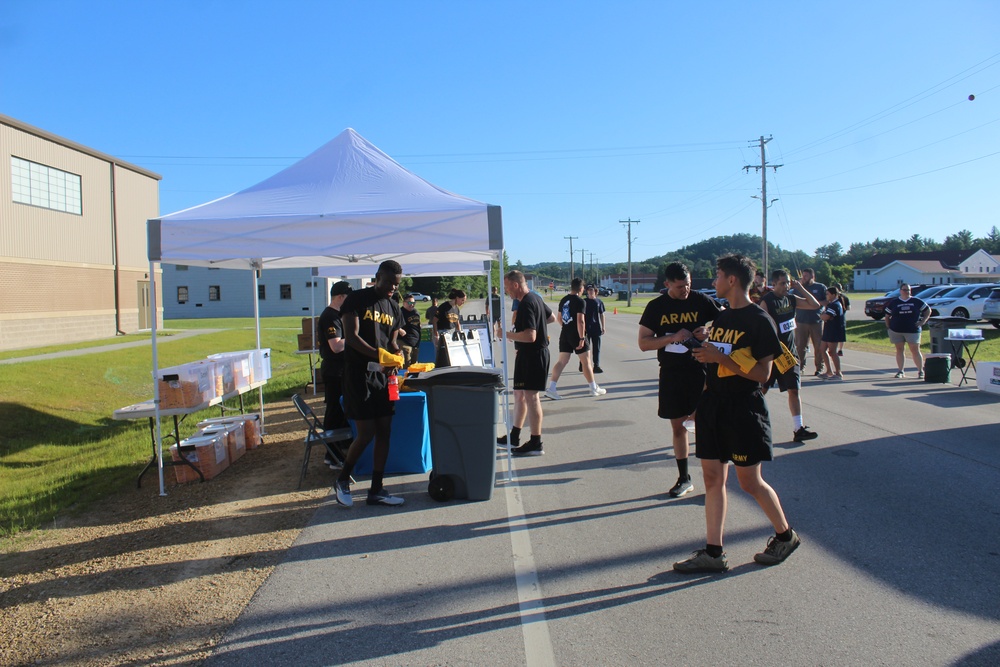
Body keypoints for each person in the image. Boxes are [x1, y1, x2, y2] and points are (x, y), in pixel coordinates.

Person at [673, 254, 800, 574]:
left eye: (717, 275)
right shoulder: (722, 318)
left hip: (744, 407)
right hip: (713, 405)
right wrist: (698, 403)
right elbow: (716, 365)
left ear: (732, 280)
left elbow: (762, 374)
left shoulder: (759, 320)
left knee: (749, 482)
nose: (713, 280)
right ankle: (713, 553)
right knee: (713, 479)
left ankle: (785, 536)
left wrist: (719, 357)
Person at [638, 262, 722, 498]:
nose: (685, 290)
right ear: (667, 285)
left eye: (688, 285)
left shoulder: (701, 300)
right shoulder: (657, 307)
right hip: (672, 373)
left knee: (707, 427)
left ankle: (714, 485)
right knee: (678, 427)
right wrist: (673, 337)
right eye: (679, 287)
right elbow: (644, 342)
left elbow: (726, 323)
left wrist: (709, 332)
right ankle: (684, 478)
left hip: (701, 372)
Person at [334, 260, 405, 508]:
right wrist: (380, 356)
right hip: (358, 375)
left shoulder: (394, 308)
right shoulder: (356, 300)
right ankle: (342, 479)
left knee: (385, 430)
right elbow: (351, 338)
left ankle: (377, 489)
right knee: (366, 434)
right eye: (388, 283)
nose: (391, 289)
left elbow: (393, 341)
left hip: (383, 378)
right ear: (377, 277)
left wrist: (399, 354)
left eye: (396, 285)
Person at [760, 269, 821, 443]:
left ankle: (798, 428)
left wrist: (800, 288)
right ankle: (745, 421)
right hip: (772, 354)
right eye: (782, 283)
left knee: (794, 390)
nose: (786, 286)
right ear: (774, 285)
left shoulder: (792, 299)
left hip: (790, 353)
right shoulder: (768, 301)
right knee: (761, 390)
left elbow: (814, 304)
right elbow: (759, 323)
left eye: (788, 282)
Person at [500, 270, 555, 456]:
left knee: (532, 397)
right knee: (521, 394)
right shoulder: (535, 298)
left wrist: (505, 334)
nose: (507, 291)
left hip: (533, 354)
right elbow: (551, 317)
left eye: (507, 287)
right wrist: (540, 325)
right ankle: (514, 435)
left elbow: (530, 336)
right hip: (528, 354)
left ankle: (536, 442)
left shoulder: (527, 303)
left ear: (516, 285)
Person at [545, 278, 606, 399]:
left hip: (565, 333)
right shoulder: (580, 302)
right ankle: (593, 388)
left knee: (562, 361)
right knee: (586, 361)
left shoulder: (564, 300)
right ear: (581, 288)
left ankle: (551, 388)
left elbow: (559, 318)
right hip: (576, 334)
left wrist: (567, 327)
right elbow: (580, 321)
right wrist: (582, 337)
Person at [317, 281, 354, 467]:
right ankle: (331, 454)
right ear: (340, 297)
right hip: (334, 372)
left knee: (341, 411)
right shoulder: (330, 316)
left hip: (340, 370)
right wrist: (355, 338)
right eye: (347, 297)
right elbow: (337, 345)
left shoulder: (337, 315)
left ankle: (341, 446)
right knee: (334, 411)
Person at [884, 283, 931, 379]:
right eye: (905, 290)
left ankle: (920, 371)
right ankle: (900, 371)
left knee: (915, 350)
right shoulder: (895, 302)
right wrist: (888, 326)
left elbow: (928, 310)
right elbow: (887, 315)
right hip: (896, 330)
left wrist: (922, 321)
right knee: (899, 350)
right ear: (900, 290)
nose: (907, 292)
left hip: (912, 330)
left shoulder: (916, 301)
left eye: (908, 290)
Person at [793, 268, 828, 376]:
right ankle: (800, 366)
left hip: (816, 321)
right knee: (800, 346)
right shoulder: (798, 288)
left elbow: (826, 301)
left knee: (818, 346)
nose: (804, 278)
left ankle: (819, 367)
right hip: (801, 321)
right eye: (803, 276)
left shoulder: (820, 287)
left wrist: (814, 303)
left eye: (806, 276)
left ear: (813, 277)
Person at [819, 286, 846, 380]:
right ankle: (829, 371)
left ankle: (838, 373)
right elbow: (824, 315)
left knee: (832, 352)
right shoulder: (830, 304)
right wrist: (823, 315)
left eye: (828, 294)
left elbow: (825, 317)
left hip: (834, 331)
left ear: (833, 295)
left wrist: (823, 315)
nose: (826, 296)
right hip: (827, 330)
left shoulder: (835, 305)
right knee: (822, 349)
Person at [584, 284, 607, 373]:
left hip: (596, 328)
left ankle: (596, 365)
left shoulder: (599, 302)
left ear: (595, 291)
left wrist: (603, 326)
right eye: (589, 290)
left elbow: (602, 314)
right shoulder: (584, 302)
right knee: (585, 348)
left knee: (596, 348)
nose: (590, 291)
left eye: (592, 290)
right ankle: (583, 364)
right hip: (585, 328)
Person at [398, 293, 423, 368]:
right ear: (404, 303)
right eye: (409, 303)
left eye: (413, 303)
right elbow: (392, 324)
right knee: (406, 366)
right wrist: (399, 329)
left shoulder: (415, 312)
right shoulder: (400, 312)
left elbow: (418, 324)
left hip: (415, 343)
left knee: (414, 366)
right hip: (405, 342)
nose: (412, 305)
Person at [835, 283, 850, 356]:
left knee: (833, 334)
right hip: (842, 318)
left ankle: (833, 348)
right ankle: (840, 349)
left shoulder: (834, 298)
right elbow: (848, 308)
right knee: (841, 335)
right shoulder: (845, 297)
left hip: (834, 318)